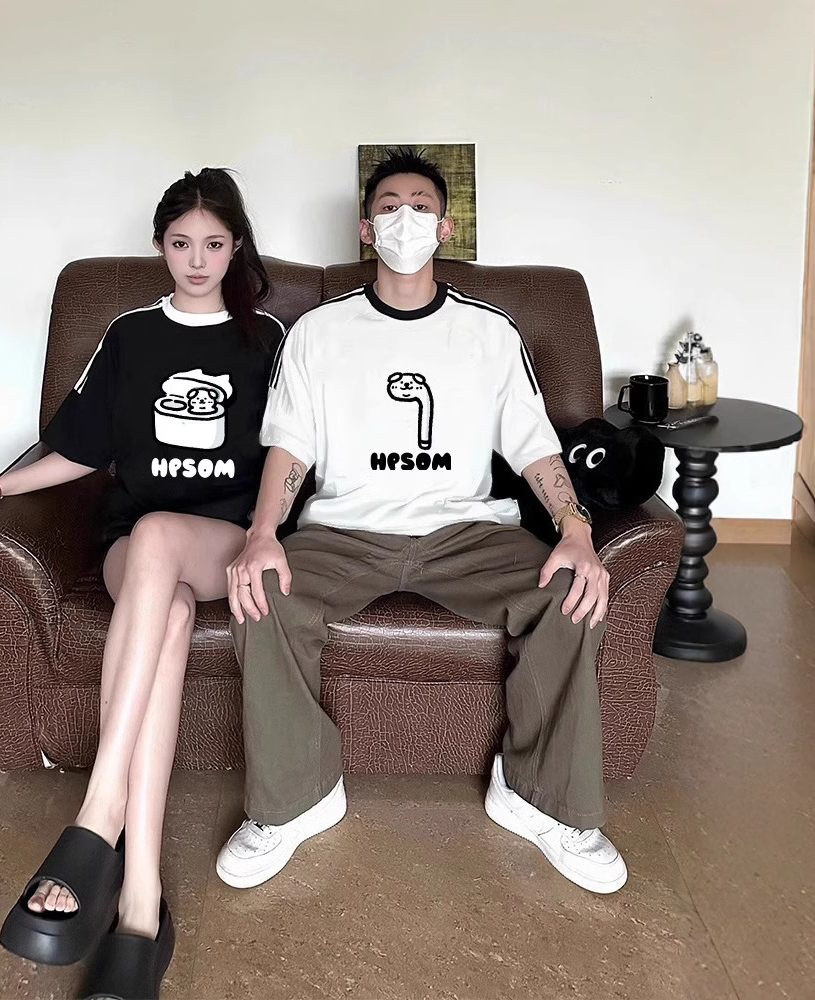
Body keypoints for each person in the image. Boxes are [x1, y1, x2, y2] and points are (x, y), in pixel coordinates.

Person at [216, 148, 628, 897]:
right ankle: (297, 799)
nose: (404, 218)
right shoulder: (318, 331)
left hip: (468, 533)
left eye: (420, 206)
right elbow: (291, 447)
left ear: (444, 228)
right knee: (261, 595)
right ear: (365, 229)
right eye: (388, 207)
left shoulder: (490, 332)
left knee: (572, 591)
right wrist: (263, 533)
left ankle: (540, 800)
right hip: (344, 533)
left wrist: (575, 529)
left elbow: (534, 445)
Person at [0, 168, 284, 999]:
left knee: (162, 537)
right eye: (181, 244)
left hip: (223, 541)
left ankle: (99, 818)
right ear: (160, 245)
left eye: (214, 245)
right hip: (138, 552)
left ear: (236, 248)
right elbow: (82, 449)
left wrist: (272, 535)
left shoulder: (264, 338)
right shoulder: (130, 334)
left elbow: (291, 453)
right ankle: (141, 902)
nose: (197, 261)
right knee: (162, 606)